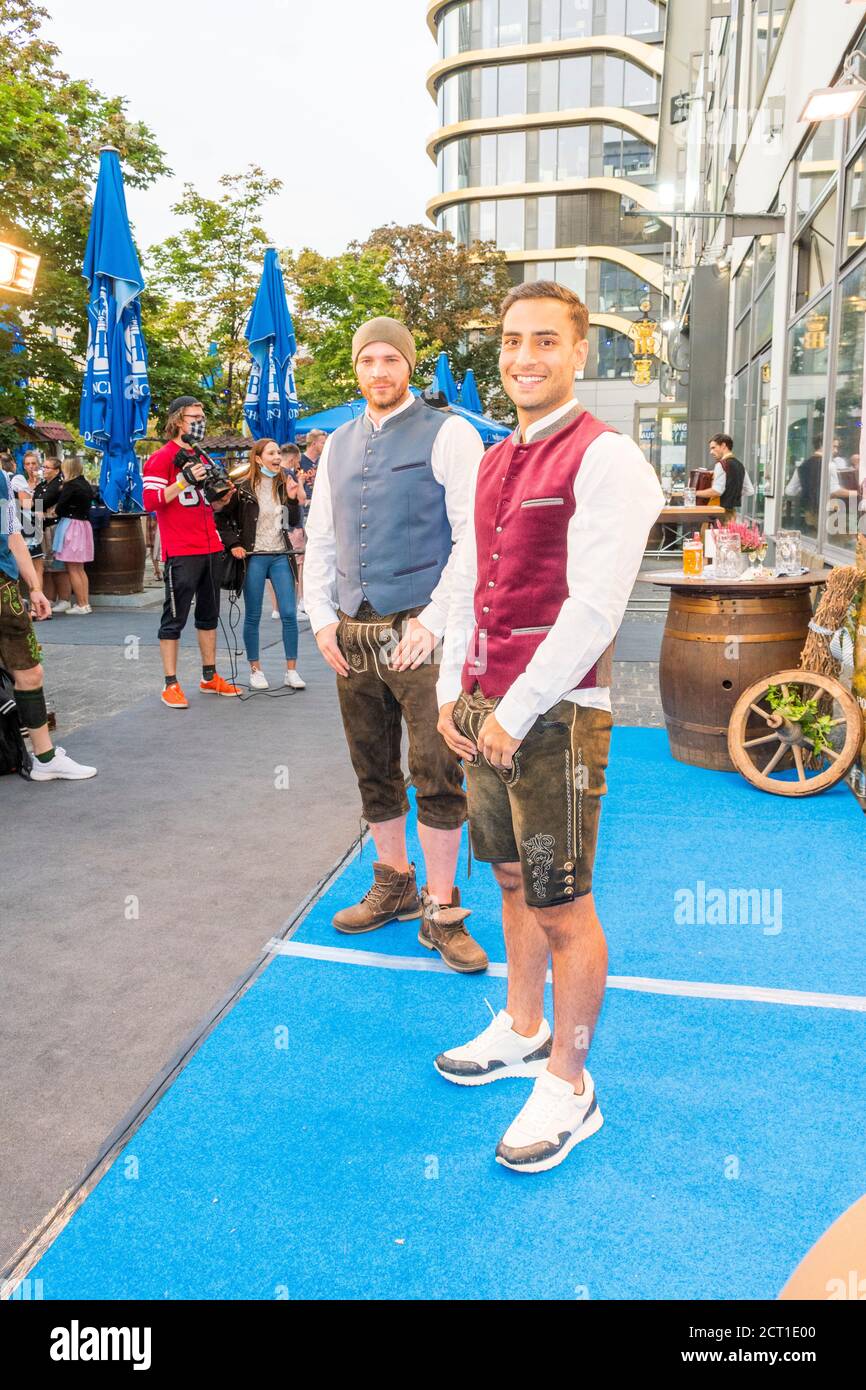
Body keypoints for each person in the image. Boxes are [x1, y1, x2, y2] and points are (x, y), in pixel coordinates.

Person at [435, 280, 664, 1172]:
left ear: (578, 353)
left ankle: (571, 1082)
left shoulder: (610, 460)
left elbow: (595, 610)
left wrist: (513, 710)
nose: (523, 357)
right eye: (510, 341)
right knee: (506, 879)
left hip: (559, 713)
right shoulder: (494, 459)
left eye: (544, 341)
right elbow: (467, 581)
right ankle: (523, 1027)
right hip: (488, 708)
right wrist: (459, 692)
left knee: (562, 903)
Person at [304, 316, 488, 972]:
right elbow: (321, 536)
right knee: (371, 762)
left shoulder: (452, 433)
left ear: (408, 365)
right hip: (353, 628)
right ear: (356, 369)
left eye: (390, 359)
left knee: (437, 766)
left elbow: (475, 537)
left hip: (423, 630)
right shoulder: (338, 444)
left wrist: (435, 621)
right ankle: (394, 881)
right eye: (368, 360)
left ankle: (442, 906)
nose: (379, 371)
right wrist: (321, 618)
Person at [141, 396, 241, 709]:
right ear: (177, 421)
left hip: (210, 545)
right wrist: (183, 480)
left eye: (202, 416)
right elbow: (151, 501)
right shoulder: (161, 458)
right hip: (181, 549)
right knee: (174, 618)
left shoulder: (201, 455)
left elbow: (208, 502)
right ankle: (170, 683)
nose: (200, 422)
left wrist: (222, 499)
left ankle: (209, 676)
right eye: (193, 417)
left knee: (209, 615)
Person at [0, 468, 96, 781]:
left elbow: (13, 534)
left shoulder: (1, 478)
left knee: (30, 671)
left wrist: (35, 586)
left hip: (4, 589)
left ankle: (44, 757)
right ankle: (43, 758)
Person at [214, 437, 307, 691]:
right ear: (258, 458)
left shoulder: (283, 484)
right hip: (254, 556)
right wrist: (233, 544)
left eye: (278, 452)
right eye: (271, 453)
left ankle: (291, 671)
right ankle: (255, 670)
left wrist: (291, 499)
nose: (277, 457)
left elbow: (294, 521)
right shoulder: (242, 488)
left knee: (289, 613)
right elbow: (221, 517)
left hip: (279, 554)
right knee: (253, 615)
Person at [51, 456, 94, 614]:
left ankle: (81, 605)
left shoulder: (70, 485)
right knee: (80, 569)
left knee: (73, 568)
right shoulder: (85, 484)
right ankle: (85, 603)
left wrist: (53, 511)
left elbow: (60, 507)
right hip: (83, 526)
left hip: (71, 526)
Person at [31, 457, 72, 612]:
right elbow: (36, 500)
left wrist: (36, 503)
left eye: (47, 467)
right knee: (46, 566)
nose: (44, 469)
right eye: (44, 466)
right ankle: (49, 598)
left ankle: (65, 598)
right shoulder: (43, 484)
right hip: (42, 526)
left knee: (58, 565)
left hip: (54, 526)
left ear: (56, 470)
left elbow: (44, 501)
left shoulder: (58, 485)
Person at [695, 433, 754, 519]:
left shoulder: (721, 465)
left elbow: (717, 491)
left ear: (723, 445)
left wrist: (693, 493)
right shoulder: (740, 465)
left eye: (713, 448)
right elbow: (749, 490)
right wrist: (731, 493)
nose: (711, 452)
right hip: (732, 514)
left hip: (718, 513)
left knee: (710, 532)